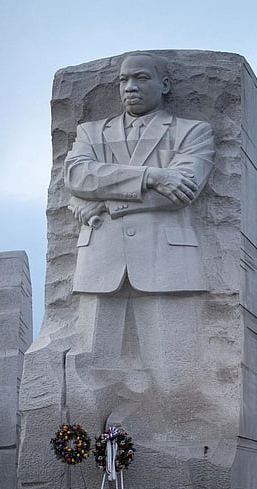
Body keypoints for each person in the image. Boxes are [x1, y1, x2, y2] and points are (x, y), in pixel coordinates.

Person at [62, 52, 216, 426]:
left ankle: (176, 450)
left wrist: (102, 201)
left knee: (174, 376)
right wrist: (151, 175)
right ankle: (96, 449)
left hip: (167, 265)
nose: (130, 87)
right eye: (123, 80)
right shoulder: (91, 132)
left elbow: (182, 191)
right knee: (91, 375)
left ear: (164, 84)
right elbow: (77, 177)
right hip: (101, 263)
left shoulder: (193, 132)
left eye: (141, 78)